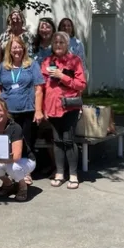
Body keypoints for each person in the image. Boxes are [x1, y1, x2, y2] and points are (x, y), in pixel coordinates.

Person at [41, 31, 87, 190]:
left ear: (67, 45)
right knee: (57, 141)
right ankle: (60, 173)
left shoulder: (75, 60)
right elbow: (43, 86)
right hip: (52, 107)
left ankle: (73, 175)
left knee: (68, 140)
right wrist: (43, 108)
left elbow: (81, 84)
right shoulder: (48, 61)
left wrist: (62, 76)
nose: (58, 45)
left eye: (61, 42)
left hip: (69, 107)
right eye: (55, 43)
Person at [0, 36, 44, 167]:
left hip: (27, 110)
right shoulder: (3, 67)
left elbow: (39, 88)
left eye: (19, 46)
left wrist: (38, 111)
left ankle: (26, 171)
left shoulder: (32, 65)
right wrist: (3, 99)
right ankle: (11, 170)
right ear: (9, 50)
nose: (17, 50)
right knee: (10, 142)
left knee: (26, 142)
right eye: (14, 47)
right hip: (9, 112)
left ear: (23, 48)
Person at [0, 99, 36, 201]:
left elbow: (16, 157)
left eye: (0, 110)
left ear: (6, 111)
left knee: (13, 167)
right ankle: (8, 184)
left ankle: (22, 186)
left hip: (25, 160)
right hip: (6, 160)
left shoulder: (15, 128)